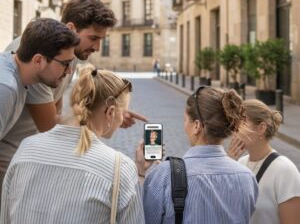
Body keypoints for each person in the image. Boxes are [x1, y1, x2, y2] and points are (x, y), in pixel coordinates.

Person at [1, 0, 146, 191]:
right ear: (71, 28)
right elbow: (52, 129)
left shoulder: (69, 55)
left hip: (28, 155)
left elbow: (57, 108)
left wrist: (108, 112)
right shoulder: (43, 57)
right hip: (12, 161)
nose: (96, 47)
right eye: (93, 38)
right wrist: (103, 117)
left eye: (101, 39)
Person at [1, 66, 145, 224]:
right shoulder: (119, 168)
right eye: (123, 112)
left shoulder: (26, 148)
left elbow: (5, 217)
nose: (122, 119)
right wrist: (140, 174)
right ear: (110, 112)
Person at [137, 86, 258, 224]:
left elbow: (141, 219)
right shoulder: (247, 177)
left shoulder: (163, 175)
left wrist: (141, 171)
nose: (184, 126)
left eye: (185, 120)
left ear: (196, 126)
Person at [0, 18, 79, 194]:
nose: (68, 72)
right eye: (65, 64)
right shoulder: (6, 87)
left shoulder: (17, 77)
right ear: (38, 61)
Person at [229, 99, 300, 224]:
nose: (234, 128)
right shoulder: (239, 163)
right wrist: (227, 166)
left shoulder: (285, 170)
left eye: (242, 122)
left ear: (261, 128)